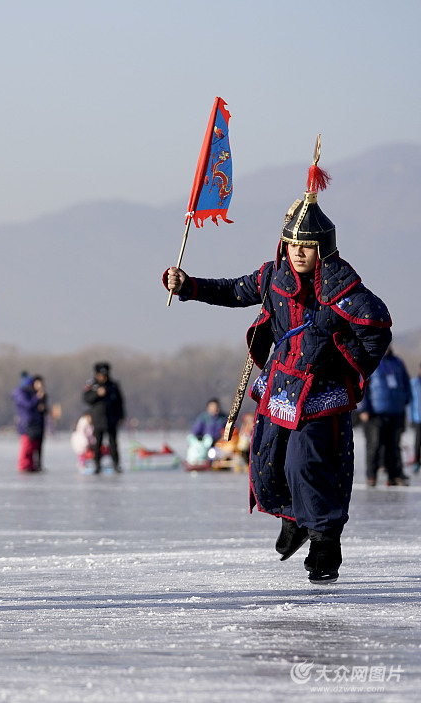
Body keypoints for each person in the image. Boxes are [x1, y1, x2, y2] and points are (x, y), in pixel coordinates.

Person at [164, 143, 391, 584]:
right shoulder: (272, 276)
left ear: (322, 248)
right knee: (269, 461)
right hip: (281, 386)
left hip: (322, 392)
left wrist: (348, 365)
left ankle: (325, 544)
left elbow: (376, 326)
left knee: (306, 463)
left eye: (306, 247)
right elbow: (233, 291)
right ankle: (294, 518)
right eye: (292, 245)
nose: (298, 253)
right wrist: (189, 285)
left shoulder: (342, 285)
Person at [358, 347, 412, 486]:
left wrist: (406, 399)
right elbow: (362, 385)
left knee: (393, 445)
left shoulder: (397, 362)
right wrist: (363, 408)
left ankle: (394, 476)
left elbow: (405, 382)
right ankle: (372, 475)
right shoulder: (369, 362)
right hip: (375, 413)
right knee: (374, 445)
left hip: (396, 410)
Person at [83, 362, 125, 473]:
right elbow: (86, 399)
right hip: (98, 419)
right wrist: (97, 394)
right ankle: (97, 465)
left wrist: (121, 416)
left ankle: (116, 464)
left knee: (113, 443)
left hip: (111, 419)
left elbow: (120, 402)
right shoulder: (92, 385)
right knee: (98, 444)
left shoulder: (113, 385)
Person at [13, 373, 46, 472]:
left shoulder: (29, 393)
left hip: (33, 423)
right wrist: (37, 398)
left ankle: (31, 465)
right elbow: (27, 405)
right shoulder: (20, 393)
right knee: (26, 446)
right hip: (26, 424)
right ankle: (24, 465)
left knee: (32, 446)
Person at [411, 362, 421, 475]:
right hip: (418, 417)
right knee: (417, 442)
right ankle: (416, 462)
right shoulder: (413, 383)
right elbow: (410, 403)